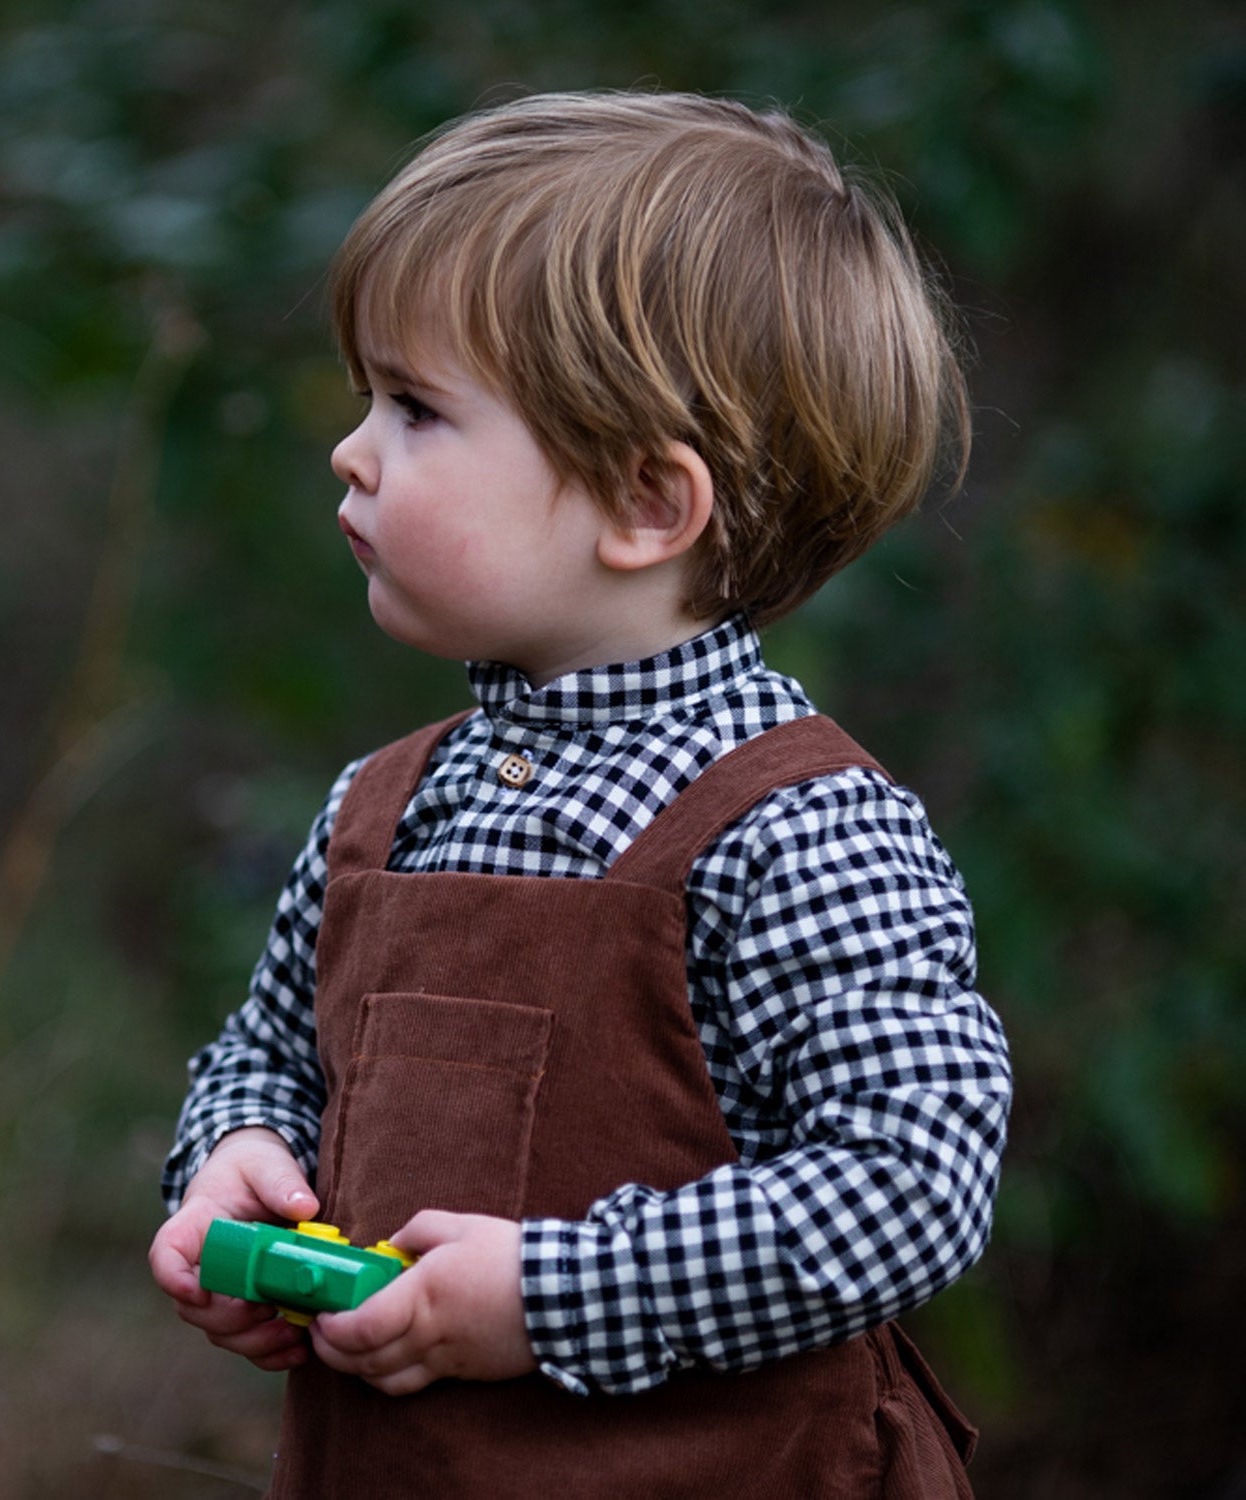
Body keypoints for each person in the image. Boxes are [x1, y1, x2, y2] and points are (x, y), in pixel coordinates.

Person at [149, 90, 1012, 1498]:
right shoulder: (386, 807)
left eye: (418, 409)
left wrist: (553, 1296)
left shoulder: (801, 830)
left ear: (645, 506)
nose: (352, 451)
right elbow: (269, 1053)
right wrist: (233, 1157)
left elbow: (913, 1184)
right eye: (370, 399)